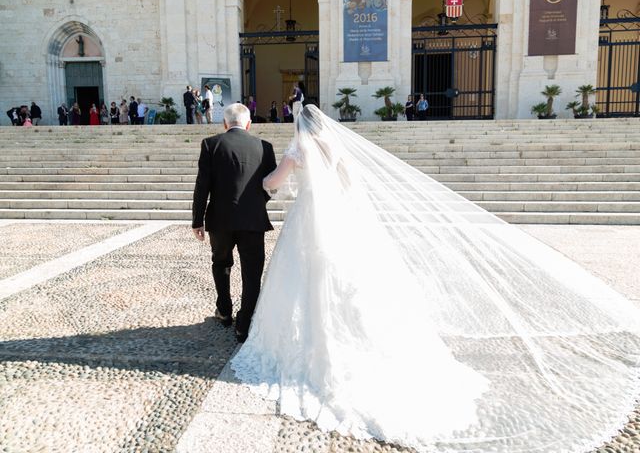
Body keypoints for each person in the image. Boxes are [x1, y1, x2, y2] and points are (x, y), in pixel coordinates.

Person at [230, 104, 640, 453]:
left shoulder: (298, 147)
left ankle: (309, 349)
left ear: (300, 128)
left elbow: (273, 183)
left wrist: (261, 184)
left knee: (306, 285)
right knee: (345, 286)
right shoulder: (336, 148)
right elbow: (353, 187)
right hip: (339, 224)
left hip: (308, 224)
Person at [191, 103, 277, 343]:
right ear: (249, 124)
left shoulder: (210, 144)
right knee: (252, 272)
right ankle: (244, 321)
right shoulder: (265, 147)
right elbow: (271, 185)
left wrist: (197, 219)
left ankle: (225, 310)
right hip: (253, 219)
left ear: (225, 124)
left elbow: (202, 185)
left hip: (220, 219)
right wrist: (257, 202)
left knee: (221, 263)